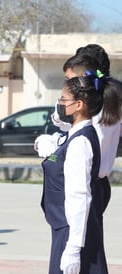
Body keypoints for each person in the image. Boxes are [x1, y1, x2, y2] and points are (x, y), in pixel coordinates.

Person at [35, 44, 122, 213]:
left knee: (75, 236)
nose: (67, 84)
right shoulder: (111, 100)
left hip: (83, 182)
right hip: (97, 182)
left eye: (70, 79)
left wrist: (49, 141)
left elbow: (67, 133)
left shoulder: (90, 108)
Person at [41, 73, 110, 274]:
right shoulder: (76, 135)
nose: (60, 104)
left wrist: (72, 249)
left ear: (79, 105)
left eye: (63, 99)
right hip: (66, 229)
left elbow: (79, 196)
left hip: (72, 232)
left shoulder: (80, 143)